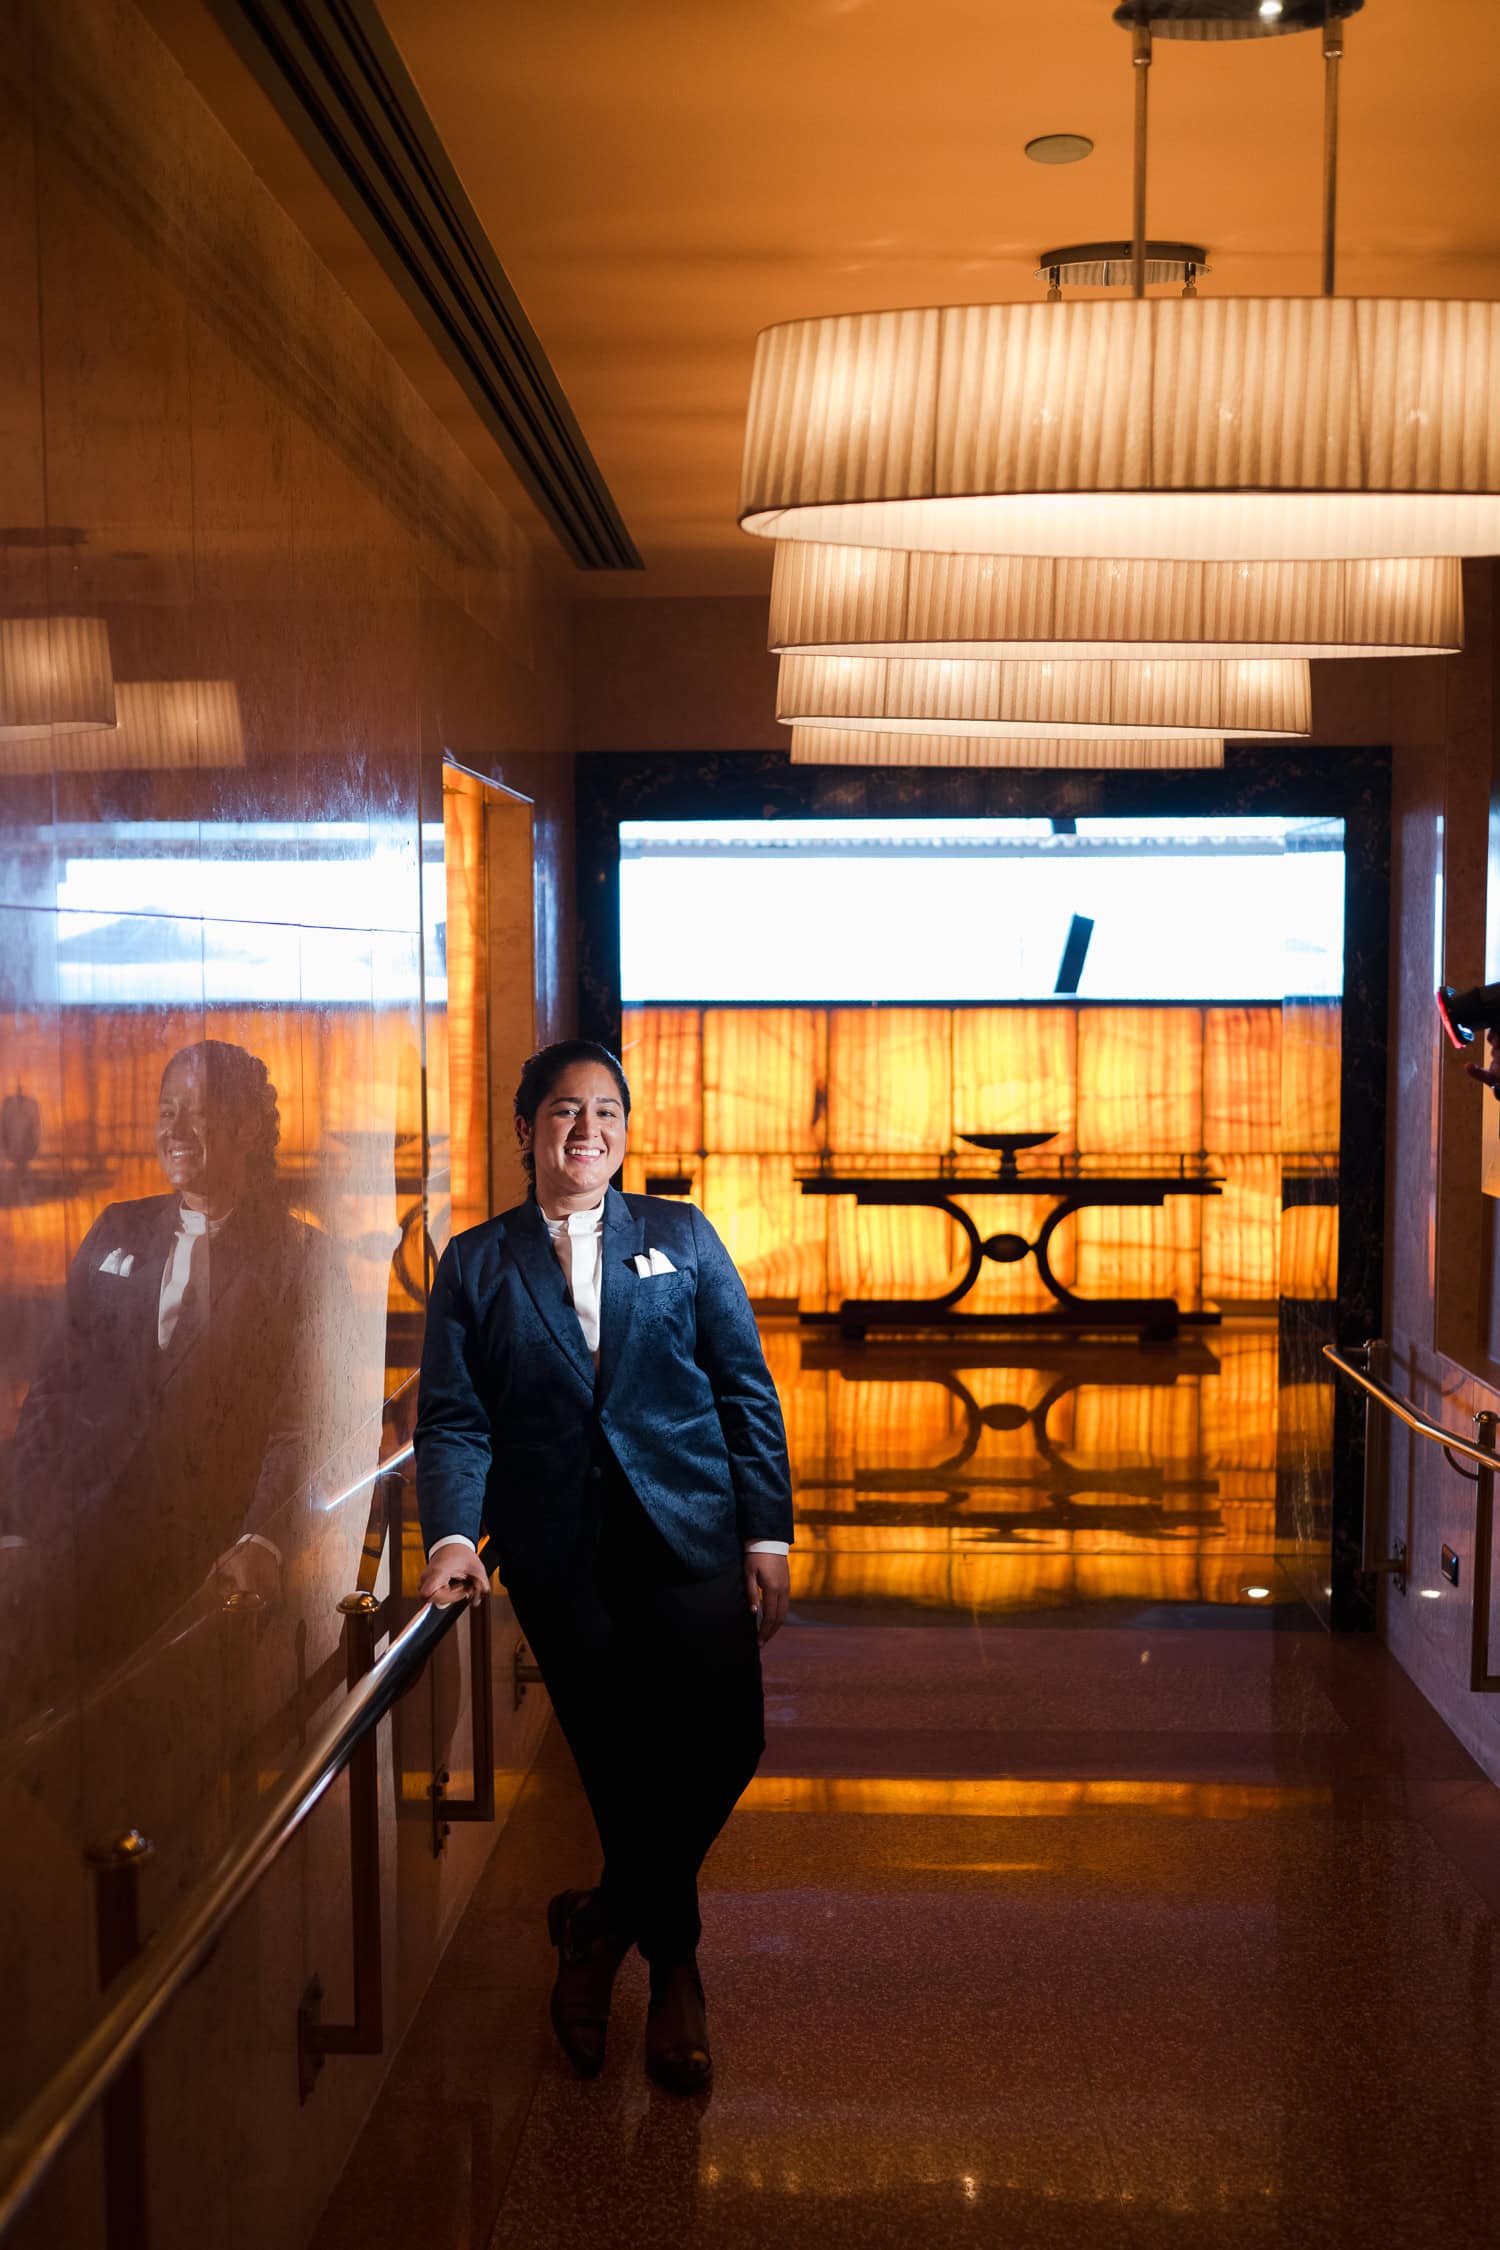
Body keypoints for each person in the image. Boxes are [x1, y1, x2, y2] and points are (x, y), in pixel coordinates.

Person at [414, 1038, 793, 2095]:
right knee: (624, 1767)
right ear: (528, 1129)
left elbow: (744, 1390)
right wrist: (453, 1537)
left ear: (626, 1130)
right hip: (558, 1555)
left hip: (690, 1531)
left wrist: (768, 1533)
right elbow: (452, 1418)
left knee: (727, 1741)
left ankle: (597, 1929)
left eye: (608, 1114)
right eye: (565, 1113)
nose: (588, 1132)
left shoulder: (680, 1234)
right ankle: (676, 1974)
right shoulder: (477, 1263)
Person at [6, 1039, 349, 1678]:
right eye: (167, 1112)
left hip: (210, 1567)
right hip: (79, 1549)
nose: (176, 1130)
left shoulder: (305, 1258)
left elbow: (307, 1424)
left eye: (198, 1111)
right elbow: (54, 1392)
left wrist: (262, 1540)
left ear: (249, 1127)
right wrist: (17, 1530)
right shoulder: (115, 1229)